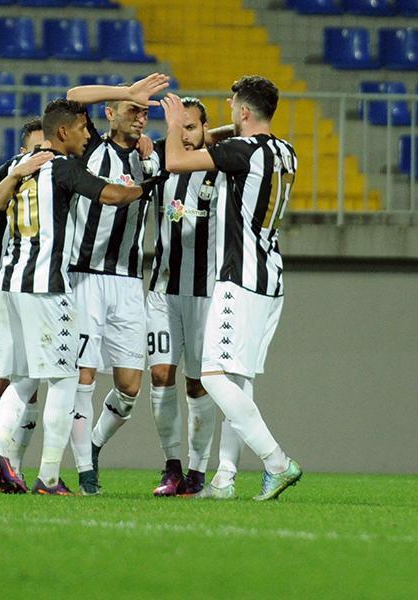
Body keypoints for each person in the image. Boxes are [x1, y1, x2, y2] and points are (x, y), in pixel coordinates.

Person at [0, 99, 148, 495]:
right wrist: (147, 186)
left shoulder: (17, 166)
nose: (86, 135)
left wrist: (16, 174)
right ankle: (49, 477)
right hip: (48, 286)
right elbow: (111, 196)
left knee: (24, 377)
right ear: (62, 132)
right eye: (80, 129)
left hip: (10, 284)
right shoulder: (63, 168)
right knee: (65, 380)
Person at [161, 76, 303, 501]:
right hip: (270, 277)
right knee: (239, 379)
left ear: (243, 111)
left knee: (212, 375)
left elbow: (175, 161)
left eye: (233, 107)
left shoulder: (241, 151)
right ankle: (224, 479)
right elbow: (225, 140)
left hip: (239, 277)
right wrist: (222, 130)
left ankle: (277, 462)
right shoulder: (285, 151)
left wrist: (175, 125)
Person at [64, 73, 169, 495]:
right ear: (110, 113)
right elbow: (73, 95)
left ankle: (90, 444)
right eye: (132, 110)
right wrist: (127, 90)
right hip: (85, 276)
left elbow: (202, 140)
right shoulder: (90, 146)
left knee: (129, 388)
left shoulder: (152, 157)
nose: (140, 118)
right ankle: (84, 473)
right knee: (83, 377)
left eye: (144, 112)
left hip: (127, 281)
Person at [146, 97, 231, 497]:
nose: (185, 136)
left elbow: (242, 137)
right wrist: (171, 131)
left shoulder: (221, 168)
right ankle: (172, 466)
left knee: (197, 384)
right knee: (161, 375)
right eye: (179, 129)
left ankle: (198, 470)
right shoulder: (160, 164)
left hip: (204, 294)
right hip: (163, 291)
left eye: (192, 127)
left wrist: (209, 138)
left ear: (206, 129)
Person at [0, 119, 46, 492]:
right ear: (22, 153)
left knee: (29, 383)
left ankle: (12, 466)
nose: (42, 157)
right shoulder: (11, 174)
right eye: (36, 150)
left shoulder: (52, 182)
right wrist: (23, 168)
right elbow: (0, 196)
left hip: (32, 290)